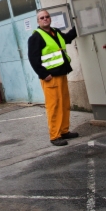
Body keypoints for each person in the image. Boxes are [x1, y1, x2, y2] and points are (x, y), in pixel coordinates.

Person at [28, 9, 78, 146]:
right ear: (38, 21)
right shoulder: (36, 37)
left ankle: (64, 131)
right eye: (42, 17)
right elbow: (33, 59)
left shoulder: (55, 32)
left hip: (61, 74)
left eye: (47, 17)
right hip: (50, 78)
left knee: (64, 104)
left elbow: (67, 39)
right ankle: (55, 136)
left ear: (50, 19)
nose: (45, 19)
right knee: (54, 106)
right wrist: (44, 74)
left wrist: (78, 25)